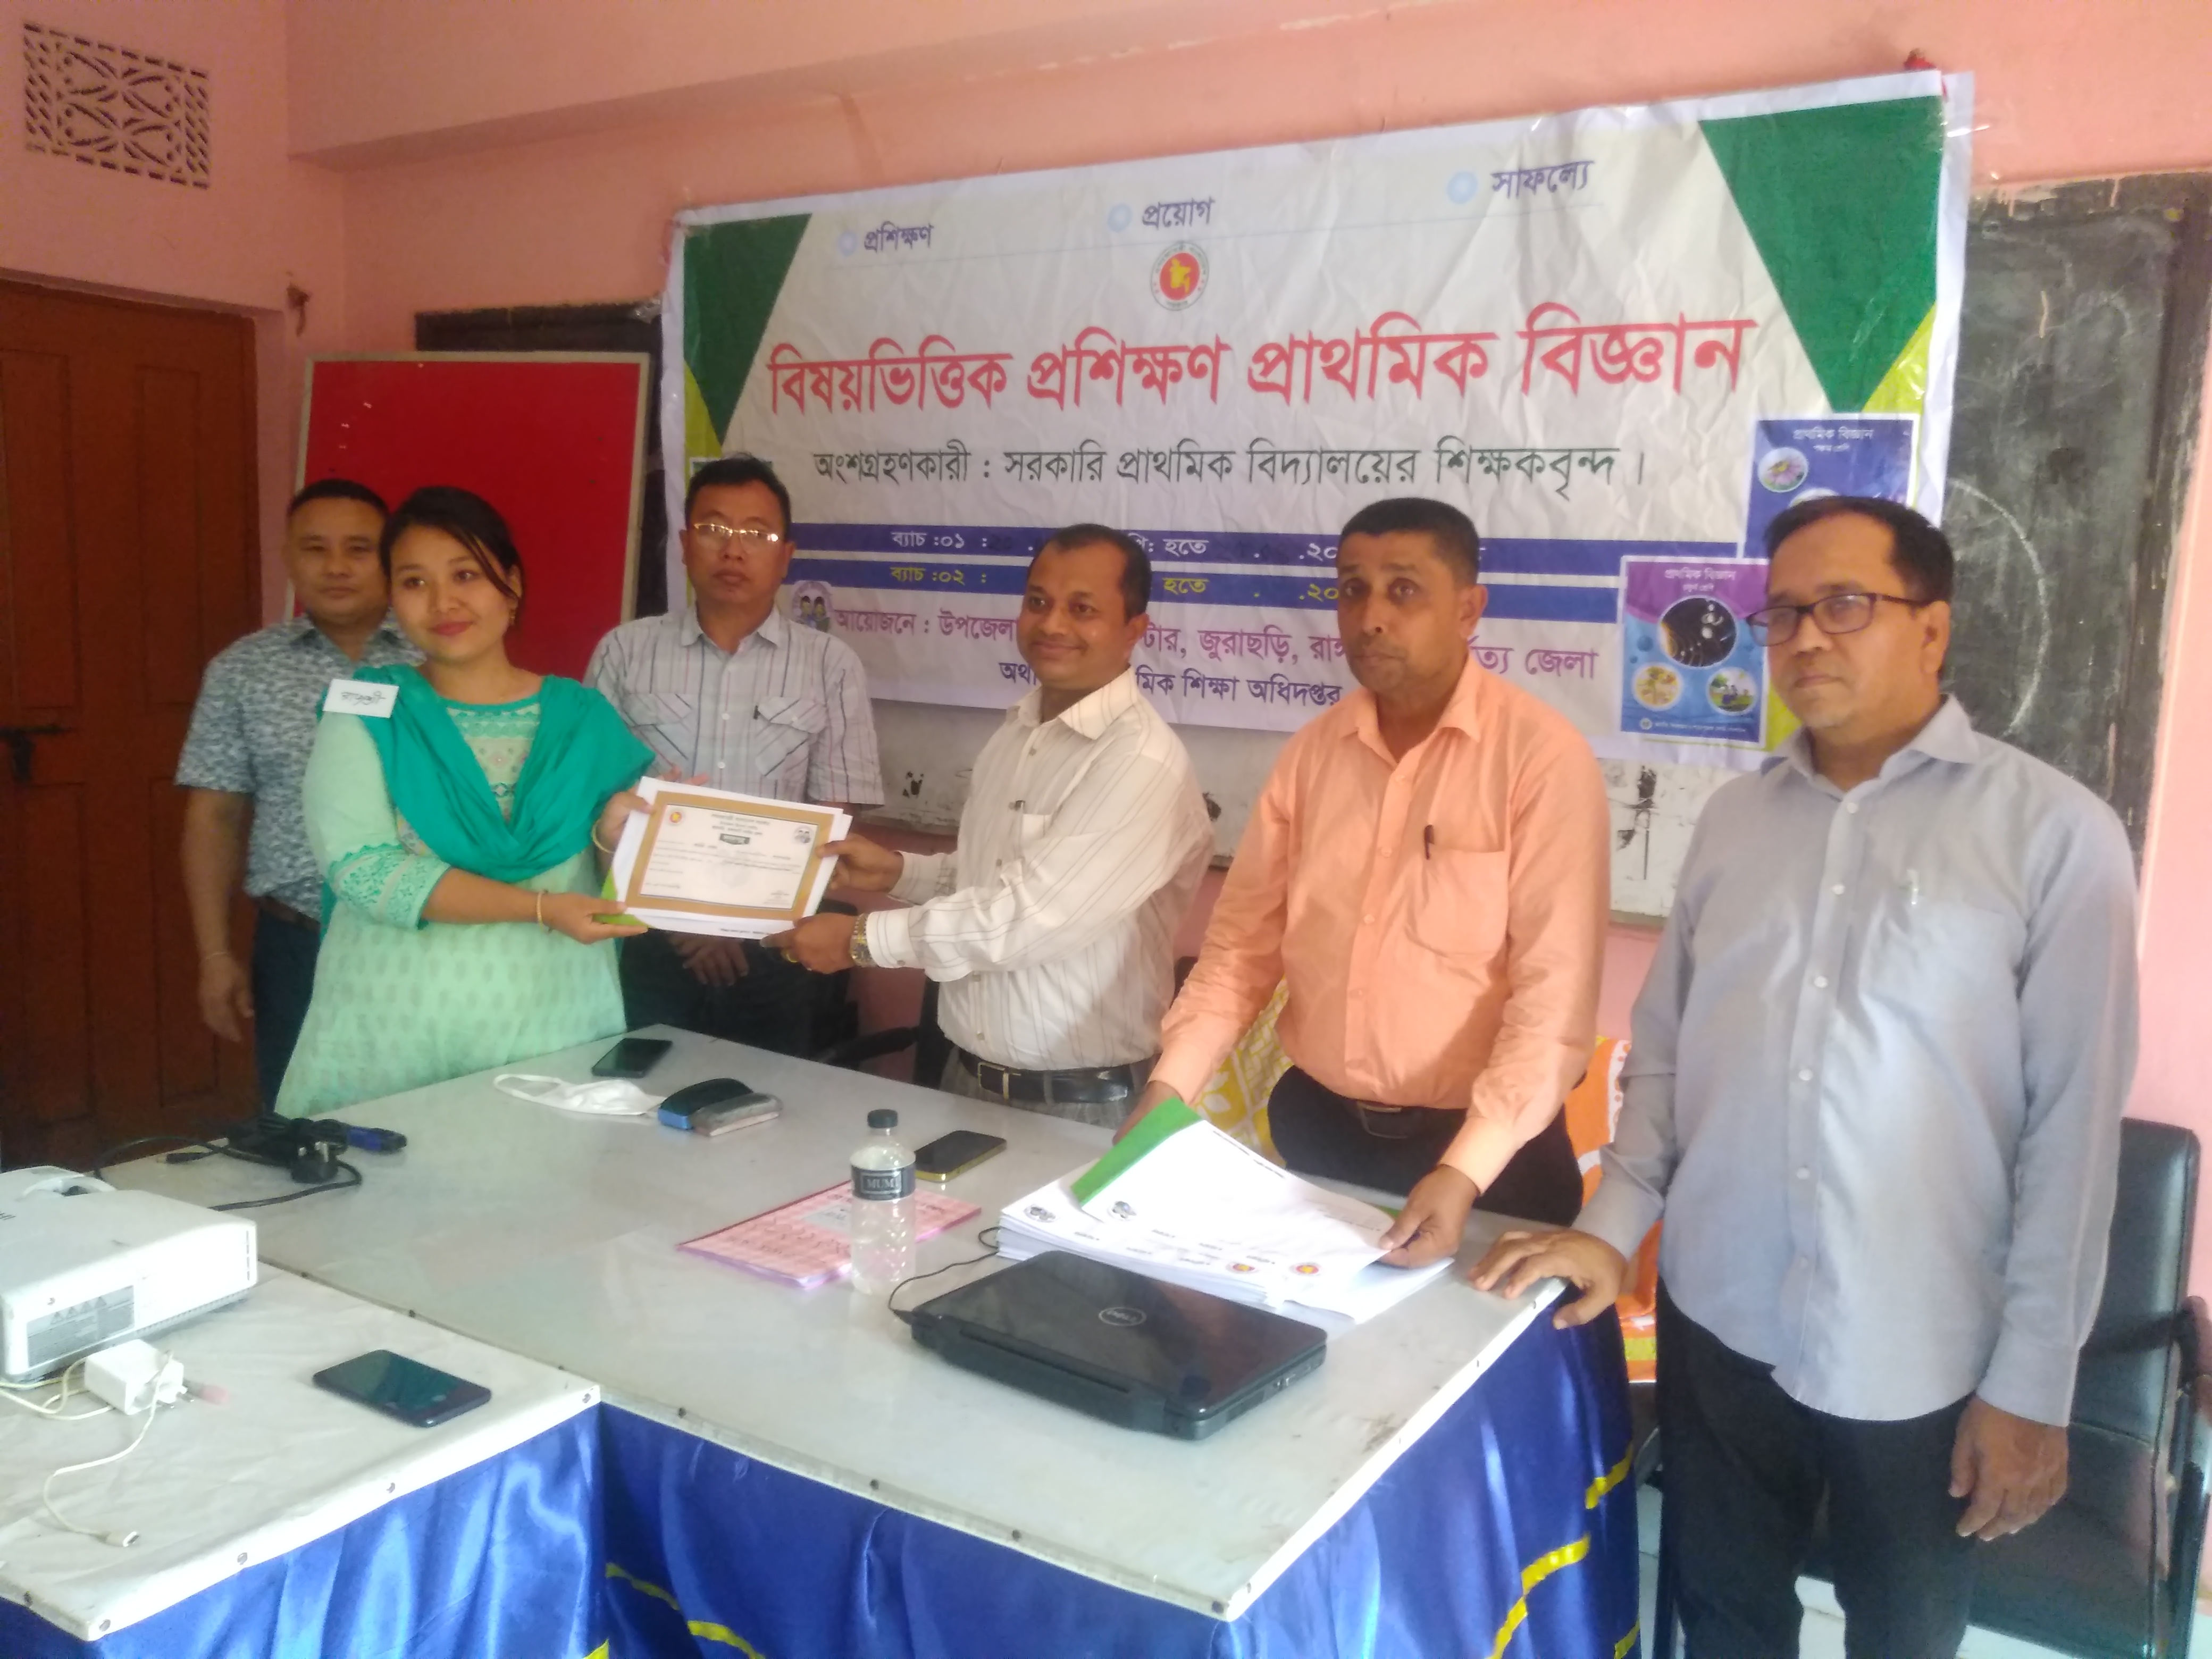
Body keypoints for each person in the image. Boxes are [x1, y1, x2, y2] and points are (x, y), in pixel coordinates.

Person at [1473, 496, 2140, 1658]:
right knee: (1725, 1617)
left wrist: (2033, 1385)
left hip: (1922, 1346)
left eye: (1844, 605)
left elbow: (2072, 1137)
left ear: (1931, 628)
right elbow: (1668, 1052)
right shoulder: (1735, 822)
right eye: (1782, 614)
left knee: (1901, 1634)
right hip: (1721, 1317)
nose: (1805, 638)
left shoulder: (2055, 836)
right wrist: (1610, 1228)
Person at [1124, 497, 1609, 1267]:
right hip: (1320, 1136)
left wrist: (1463, 1171)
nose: (1371, 617)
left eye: (1403, 590)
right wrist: (1167, 1091)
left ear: (1468, 609)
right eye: (1352, 590)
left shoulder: (1541, 760)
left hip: (1489, 1160)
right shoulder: (1312, 756)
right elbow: (1240, 953)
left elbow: (1552, 1004)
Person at [768, 525, 1211, 1126]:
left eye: (1082, 609)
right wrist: (897, 871)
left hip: (1081, 1103)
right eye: (1038, 601)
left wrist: (860, 940)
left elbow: (1027, 919)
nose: (1052, 624)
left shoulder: (1138, 762)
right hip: (965, 1079)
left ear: (1135, 629)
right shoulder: (1018, 733)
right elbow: (994, 881)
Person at [276, 487, 653, 1115]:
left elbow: (619, 890)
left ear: (511, 585)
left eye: (466, 575)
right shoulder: (365, 704)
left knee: (548, 1173)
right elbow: (364, 872)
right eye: (414, 582)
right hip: (396, 1029)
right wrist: (540, 908)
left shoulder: (582, 717)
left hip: (553, 1017)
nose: (443, 602)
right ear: (392, 597)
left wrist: (618, 839)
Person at [586, 455, 882, 1054]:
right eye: (714, 529)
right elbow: (596, 798)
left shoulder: (830, 665)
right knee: (636, 1097)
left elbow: (835, 817)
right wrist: (689, 928)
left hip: (774, 949)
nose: (733, 550)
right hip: (648, 939)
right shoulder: (623, 653)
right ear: (684, 544)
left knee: (766, 1099)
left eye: (756, 534)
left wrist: (734, 927)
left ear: (786, 555)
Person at [177, 479, 420, 1105]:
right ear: (288, 556)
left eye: (358, 549)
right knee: (304, 1128)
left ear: (390, 557)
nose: (336, 567)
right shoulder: (242, 670)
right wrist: (214, 954)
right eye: (316, 548)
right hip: (298, 944)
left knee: (437, 1119)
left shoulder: (442, 658)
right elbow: (213, 817)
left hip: (426, 936)